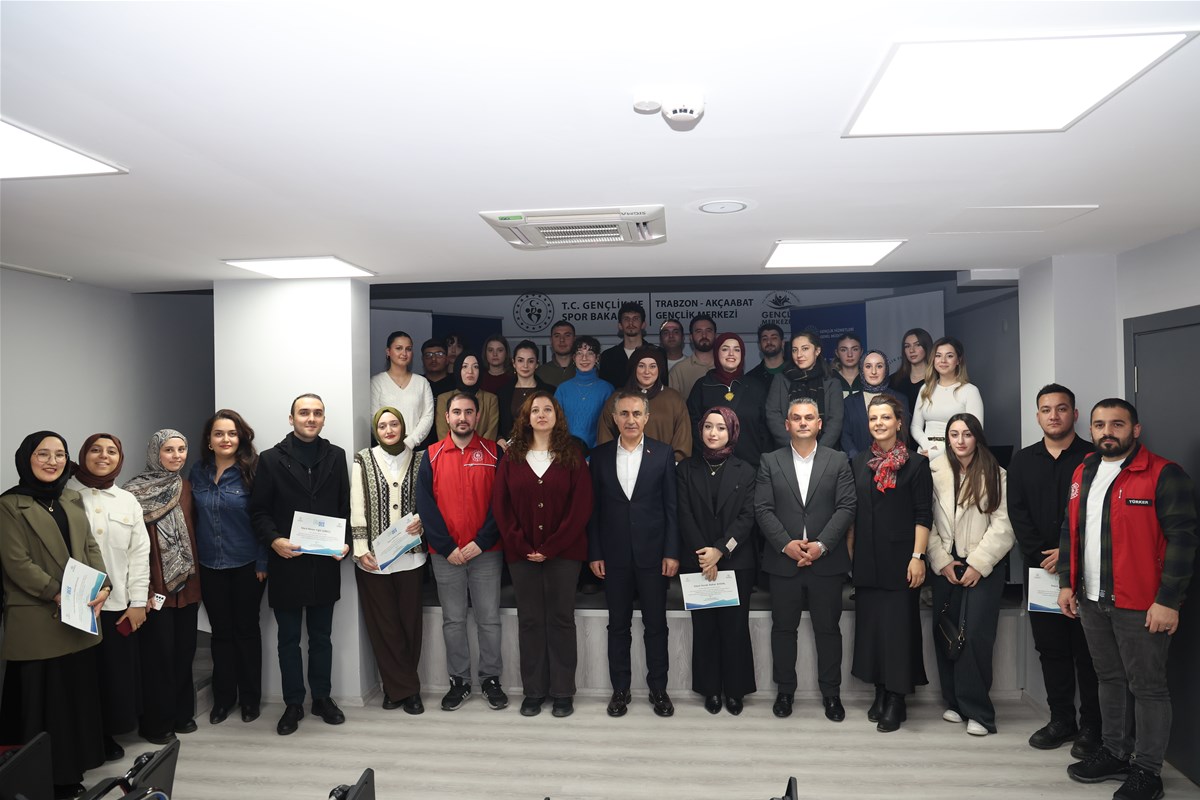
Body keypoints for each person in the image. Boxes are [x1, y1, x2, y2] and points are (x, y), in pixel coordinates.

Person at [1059, 399, 1197, 800]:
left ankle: (1148, 772)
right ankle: (1115, 752)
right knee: (1109, 679)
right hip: (1091, 599)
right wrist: (1067, 583)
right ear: (1091, 429)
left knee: (1148, 687)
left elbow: (1183, 541)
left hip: (1141, 604)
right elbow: (1070, 530)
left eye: (1117, 424)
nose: (1107, 432)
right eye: (1100, 424)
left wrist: (1168, 600)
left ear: (1135, 429)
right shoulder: (1084, 471)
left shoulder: (1164, 474)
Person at [1, 432, 110, 799]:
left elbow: (90, 548)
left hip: (79, 617)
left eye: (60, 454)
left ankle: (69, 773)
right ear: (26, 458)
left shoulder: (70, 498)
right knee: (41, 706)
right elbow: (17, 563)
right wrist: (59, 594)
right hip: (37, 620)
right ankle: (37, 781)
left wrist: (103, 585)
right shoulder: (9, 505)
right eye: (43, 454)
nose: (52, 461)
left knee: (73, 702)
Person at [1007, 384, 1100, 757]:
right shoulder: (1023, 460)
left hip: (1086, 570)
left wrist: (1068, 553)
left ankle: (1093, 726)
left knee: (1089, 652)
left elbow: (1099, 516)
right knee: (1051, 648)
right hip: (1041, 572)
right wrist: (1042, 555)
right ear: (1038, 416)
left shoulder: (1094, 458)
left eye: (1061, 409)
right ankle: (1062, 720)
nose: (1054, 415)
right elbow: (1017, 513)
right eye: (1046, 410)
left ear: (1074, 414)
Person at [250, 393, 351, 736]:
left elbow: (345, 507)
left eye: (317, 413)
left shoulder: (336, 456)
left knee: (322, 637)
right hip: (286, 562)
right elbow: (259, 511)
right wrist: (274, 540)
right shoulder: (270, 459)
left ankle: (322, 698)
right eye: (304, 413)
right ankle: (293, 703)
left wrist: (346, 541)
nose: (311, 418)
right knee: (288, 639)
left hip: (324, 563)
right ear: (291, 418)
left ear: (324, 419)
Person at [492, 391, 593, 718]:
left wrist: (551, 547)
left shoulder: (572, 454)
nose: (541, 414)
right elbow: (501, 507)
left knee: (561, 619)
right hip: (521, 555)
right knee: (531, 620)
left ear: (557, 416)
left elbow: (581, 508)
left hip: (565, 554)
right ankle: (534, 691)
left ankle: (563, 692)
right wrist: (523, 546)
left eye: (548, 409)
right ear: (526, 417)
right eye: (535, 410)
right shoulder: (511, 457)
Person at [755, 397, 855, 723]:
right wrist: (786, 544)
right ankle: (785, 691)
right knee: (784, 630)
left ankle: (831, 694)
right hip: (783, 563)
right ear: (787, 425)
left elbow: (846, 507)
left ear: (819, 424)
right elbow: (762, 509)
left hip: (826, 562)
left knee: (828, 630)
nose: (802, 422)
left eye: (808, 417)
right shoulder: (770, 461)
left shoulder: (838, 460)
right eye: (796, 418)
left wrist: (821, 545)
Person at [589, 391, 681, 717]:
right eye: (624, 414)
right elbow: (593, 510)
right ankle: (620, 690)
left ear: (646, 418)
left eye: (636, 414)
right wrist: (595, 552)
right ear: (615, 418)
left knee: (656, 625)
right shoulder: (599, 456)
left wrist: (671, 551)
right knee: (618, 626)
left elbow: (671, 508)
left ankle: (659, 689)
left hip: (654, 556)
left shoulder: (663, 453)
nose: (630, 420)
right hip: (613, 557)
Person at [416, 391, 509, 712]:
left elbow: (502, 502)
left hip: (487, 552)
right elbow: (425, 505)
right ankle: (460, 681)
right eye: (456, 412)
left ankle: (491, 680)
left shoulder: (494, 452)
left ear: (477, 416)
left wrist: (481, 541)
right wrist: (447, 547)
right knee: (453, 620)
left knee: (489, 620)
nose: (463, 418)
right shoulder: (431, 455)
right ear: (446, 417)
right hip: (446, 555)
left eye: (469, 412)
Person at [928, 413, 1015, 736]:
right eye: (954, 434)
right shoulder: (934, 471)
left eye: (967, 434)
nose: (960, 440)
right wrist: (941, 560)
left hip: (982, 565)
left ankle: (978, 711)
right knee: (946, 631)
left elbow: (1004, 525)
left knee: (975, 635)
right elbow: (926, 521)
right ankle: (954, 702)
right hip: (946, 565)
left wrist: (978, 563)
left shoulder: (996, 473)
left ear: (977, 436)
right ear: (947, 439)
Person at [66, 433, 150, 761]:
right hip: (74, 603)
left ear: (120, 458)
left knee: (113, 674)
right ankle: (82, 737)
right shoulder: (65, 494)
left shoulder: (127, 500)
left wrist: (138, 602)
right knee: (80, 676)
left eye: (111, 451)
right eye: (96, 450)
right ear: (83, 454)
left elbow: (139, 554)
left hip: (117, 605)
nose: (104, 456)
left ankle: (106, 733)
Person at [850, 395, 930, 732]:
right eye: (873, 418)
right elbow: (853, 514)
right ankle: (881, 691)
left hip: (902, 561)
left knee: (898, 631)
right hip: (867, 561)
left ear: (899, 423)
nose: (879, 423)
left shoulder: (916, 464)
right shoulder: (858, 462)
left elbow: (923, 515)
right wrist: (852, 557)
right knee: (872, 631)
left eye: (885, 417)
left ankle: (897, 698)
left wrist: (918, 557)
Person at [188, 410, 268, 727]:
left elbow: (264, 517)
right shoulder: (198, 472)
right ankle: (223, 700)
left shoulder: (254, 470)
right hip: (209, 565)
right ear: (209, 440)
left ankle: (250, 700)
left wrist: (263, 560)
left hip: (248, 564)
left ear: (241, 437)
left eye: (232, 433)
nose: (226, 439)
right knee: (220, 634)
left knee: (246, 632)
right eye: (219, 433)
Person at [676, 407, 758, 715]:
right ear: (700, 430)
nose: (713, 433)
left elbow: (747, 517)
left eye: (721, 428)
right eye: (708, 426)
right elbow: (683, 514)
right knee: (705, 628)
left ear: (732, 432)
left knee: (735, 629)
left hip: (736, 561)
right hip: (697, 561)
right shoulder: (685, 469)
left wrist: (720, 550)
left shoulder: (746, 470)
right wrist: (704, 553)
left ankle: (735, 690)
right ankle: (710, 689)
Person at [123, 429, 202, 745]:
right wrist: (139, 591)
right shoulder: (132, 493)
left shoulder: (187, 487)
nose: (176, 456)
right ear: (155, 453)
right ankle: (156, 723)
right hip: (153, 584)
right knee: (158, 656)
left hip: (187, 585)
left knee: (184, 652)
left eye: (181, 449)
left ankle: (182, 714)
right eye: (169, 450)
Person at [351, 407, 427, 714]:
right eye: (382, 426)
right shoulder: (363, 459)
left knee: (409, 624)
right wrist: (360, 548)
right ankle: (403, 689)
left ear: (403, 426)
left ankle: (401, 689)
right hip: (373, 559)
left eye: (394, 423)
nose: (389, 429)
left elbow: (429, 499)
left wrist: (422, 521)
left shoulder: (420, 459)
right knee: (384, 627)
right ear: (376, 430)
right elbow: (357, 504)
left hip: (412, 557)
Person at [686, 332, 771, 467]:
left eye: (736, 350)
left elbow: (765, 430)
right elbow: (693, 425)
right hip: (712, 466)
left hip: (750, 466)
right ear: (716, 353)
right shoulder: (703, 385)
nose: (731, 354)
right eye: (725, 349)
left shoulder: (756, 387)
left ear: (742, 355)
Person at [597, 345, 693, 463]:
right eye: (641, 366)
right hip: (623, 466)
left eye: (652, 366)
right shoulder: (617, 398)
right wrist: (612, 463)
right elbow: (605, 436)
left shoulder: (674, 399)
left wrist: (673, 464)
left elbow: (683, 439)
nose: (647, 371)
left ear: (659, 369)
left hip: (664, 467)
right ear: (634, 368)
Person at [765, 331, 843, 450]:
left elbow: (835, 421)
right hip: (787, 451)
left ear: (817, 351)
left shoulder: (832, 382)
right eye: (794, 350)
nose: (799, 355)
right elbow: (773, 415)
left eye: (805, 349)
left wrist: (818, 451)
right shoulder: (780, 379)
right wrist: (793, 447)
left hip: (825, 452)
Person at [911, 336, 984, 460]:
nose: (943, 360)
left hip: (955, 456)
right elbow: (915, 427)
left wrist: (938, 453)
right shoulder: (925, 389)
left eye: (949, 356)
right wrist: (928, 446)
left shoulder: (970, 391)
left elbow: (975, 431)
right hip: (925, 453)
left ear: (958, 360)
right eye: (938, 356)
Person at [370, 330, 435, 450]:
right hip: (385, 449)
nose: (404, 353)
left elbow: (428, 416)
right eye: (399, 348)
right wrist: (391, 445)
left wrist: (411, 442)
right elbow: (374, 417)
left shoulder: (422, 382)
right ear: (388, 351)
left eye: (408, 349)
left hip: (416, 448)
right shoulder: (376, 382)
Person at [841, 350, 909, 459]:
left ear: (886, 369)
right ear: (861, 370)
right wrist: (857, 459)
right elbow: (845, 435)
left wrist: (890, 459)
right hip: (857, 463)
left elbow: (903, 433)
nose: (874, 371)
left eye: (879, 366)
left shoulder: (900, 399)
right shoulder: (848, 402)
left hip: (893, 462)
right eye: (868, 366)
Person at [496, 339, 553, 444]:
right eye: (520, 360)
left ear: (537, 364)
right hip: (511, 448)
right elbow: (498, 425)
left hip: (542, 446)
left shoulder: (550, 392)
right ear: (514, 363)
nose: (525, 366)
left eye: (530, 361)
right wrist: (499, 438)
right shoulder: (503, 392)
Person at [435, 352, 500, 441]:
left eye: (475, 367)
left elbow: (491, 433)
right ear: (458, 369)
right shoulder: (443, 399)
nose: (470, 371)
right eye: (465, 366)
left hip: (482, 449)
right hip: (450, 449)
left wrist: (473, 449)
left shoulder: (491, 399)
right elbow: (443, 434)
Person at [888, 327, 933, 425]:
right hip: (901, 432)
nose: (912, 350)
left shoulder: (937, 379)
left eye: (917, 345)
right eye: (907, 346)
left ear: (926, 347)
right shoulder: (893, 381)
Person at [599, 301, 650, 388]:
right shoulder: (608, 356)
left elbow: (663, 390)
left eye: (635, 319)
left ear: (643, 324)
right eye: (626, 319)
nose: (631, 323)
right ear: (620, 325)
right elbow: (605, 390)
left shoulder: (657, 353)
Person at [667, 314, 717, 399]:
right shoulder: (678, 371)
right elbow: (671, 404)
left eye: (708, 331)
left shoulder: (726, 366)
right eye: (698, 331)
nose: (704, 335)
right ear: (691, 337)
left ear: (715, 335)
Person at [745, 322, 786, 393]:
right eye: (764, 339)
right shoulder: (750, 378)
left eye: (774, 338)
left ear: (782, 343)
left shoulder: (795, 373)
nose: (769, 342)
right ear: (759, 345)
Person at [537, 319, 577, 387]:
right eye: (557, 336)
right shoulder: (539, 373)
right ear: (551, 340)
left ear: (574, 339)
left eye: (567, 335)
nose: (562, 340)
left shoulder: (584, 371)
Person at [832, 333, 864, 398]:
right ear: (837, 353)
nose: (850, 355)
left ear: (861, 352)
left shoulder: (868, 379)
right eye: (843, 350)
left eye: (855, 349)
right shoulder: (829, 379)